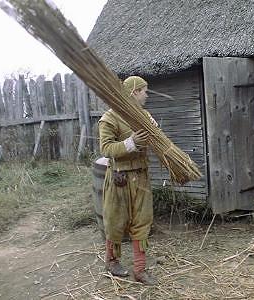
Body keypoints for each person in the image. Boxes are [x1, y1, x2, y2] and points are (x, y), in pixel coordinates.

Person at [98, 75, 157, 285]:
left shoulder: (144, 116)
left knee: (142, 222)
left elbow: (157, 141)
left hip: (141, 177)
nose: (147, 95)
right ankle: (112, 262)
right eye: (144, 91)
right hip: (119, 179)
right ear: (134, 92)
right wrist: (131, 142)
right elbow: (105, 149)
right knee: (116, 222)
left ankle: (140, 270)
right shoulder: (110, 118)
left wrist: (155, 132)